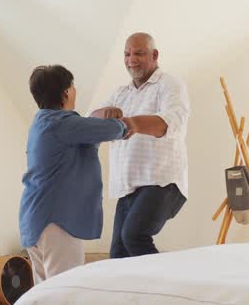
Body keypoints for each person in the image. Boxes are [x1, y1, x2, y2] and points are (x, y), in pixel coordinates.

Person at [19, 65, 136, 284]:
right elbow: (112, 130)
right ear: (65, 92)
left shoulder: (42, 122)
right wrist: (123, 125)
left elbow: (86, 134)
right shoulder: (62, 123)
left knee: (46, 294)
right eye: (72, 86)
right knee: (65, 291)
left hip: (35, 219)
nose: (75, 90)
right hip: (56, 222)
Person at [90, 32, 190, 258]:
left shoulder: (170, 84)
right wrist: (103, 113)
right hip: (128, 188)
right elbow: (90, 119)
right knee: (118, 255)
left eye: (138, 54)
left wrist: (132, 124)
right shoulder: (120, 93)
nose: (131, 60)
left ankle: (167, 287)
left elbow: (170, 122)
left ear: (154, 55)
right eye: (127, 54)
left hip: (162, 182)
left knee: (133, 236)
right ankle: (135, 293)